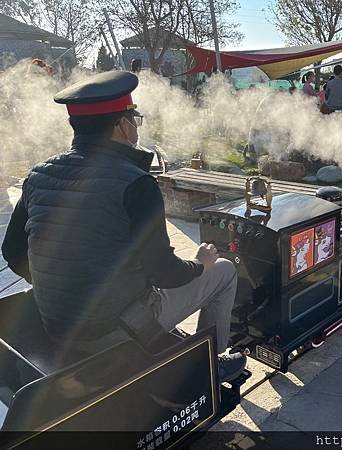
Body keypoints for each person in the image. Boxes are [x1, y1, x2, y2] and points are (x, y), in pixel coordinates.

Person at [1, 71, 246, 382]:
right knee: (223, 270)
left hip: (55, 322)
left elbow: (11, 252)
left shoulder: (38, 175)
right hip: (111, 328)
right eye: (134, 117)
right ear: (121, 126)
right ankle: (210, 364)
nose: (136, 125)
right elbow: (165, 273)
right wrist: (199, 264)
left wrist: (60, 285)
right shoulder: (136, 183)